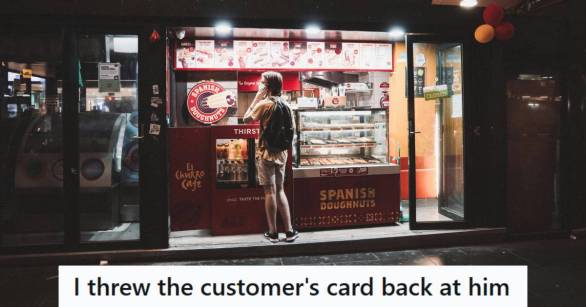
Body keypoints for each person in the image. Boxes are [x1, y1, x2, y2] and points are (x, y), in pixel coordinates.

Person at [243, 71, 299, 243]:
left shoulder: (264, 104)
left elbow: (246, 119)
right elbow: (293, 132)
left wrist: (258, 96)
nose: (260, 85)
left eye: (262, 83)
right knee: (280, 189)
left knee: (270, 191)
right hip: (282, 154)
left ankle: (273, 233)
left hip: (265, 152)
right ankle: (289, 231)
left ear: (267, 86)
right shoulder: (288, 106)